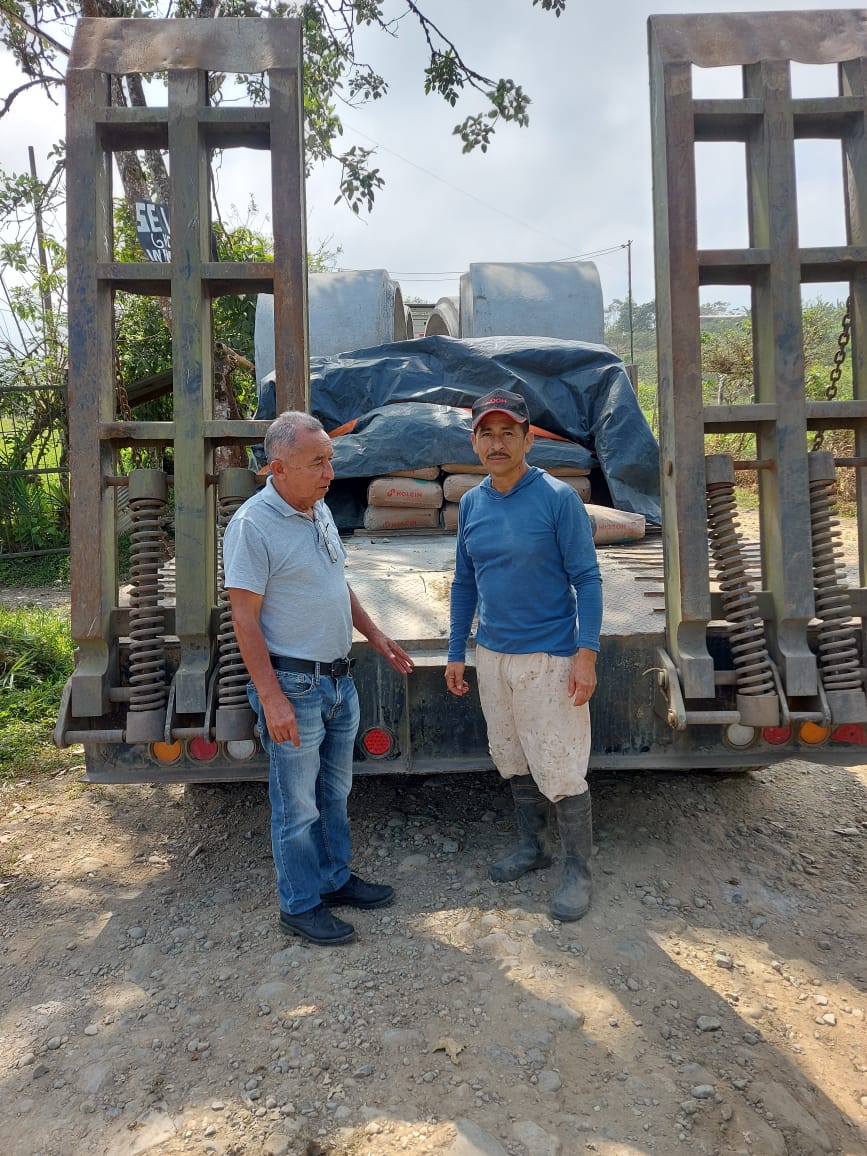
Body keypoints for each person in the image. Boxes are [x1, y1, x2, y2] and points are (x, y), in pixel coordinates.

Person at [223, 411, 414, 947]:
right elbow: (244, 620)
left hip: (337, 681)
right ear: (278, 468)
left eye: (330, 459)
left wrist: (375, 634)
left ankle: (333, 878)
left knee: (334, 793)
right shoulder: (252, 526)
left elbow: (336, 582)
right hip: (294, 687)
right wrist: (271, 699)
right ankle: (300, 904)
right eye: (318, 462)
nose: (331, 472)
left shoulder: (318, 508)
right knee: (297, 805)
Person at [445, 388, 603, 922]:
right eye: (486, 434)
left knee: (560, 766)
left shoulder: (557, 499)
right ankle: (533, 848)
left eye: (507, 433)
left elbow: (588, 580)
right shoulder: (473, 503)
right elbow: (465, 582)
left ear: (528, 439)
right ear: (474, 442)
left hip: (549, 658)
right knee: (512, 756)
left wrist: (586, 654)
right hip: (493, 657)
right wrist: (456, 651)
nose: (497, 443)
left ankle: (579, 872)